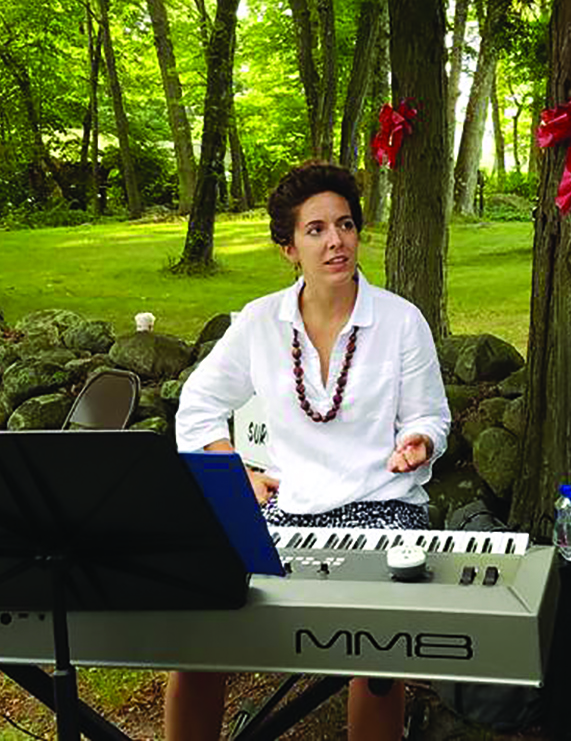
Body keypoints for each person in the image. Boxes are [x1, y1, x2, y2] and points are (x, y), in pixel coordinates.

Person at [168, 162, 451, 740]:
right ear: (288, 248)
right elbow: (196, 408)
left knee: (375, 651)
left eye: (345, 225)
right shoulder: (258, 323)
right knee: (197, 634)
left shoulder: (401, 321)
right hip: (286, 509)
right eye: (316, 229)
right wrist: (236, 471)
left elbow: (430, 416)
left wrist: (419, 442)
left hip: (383, 503)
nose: (336, 241)